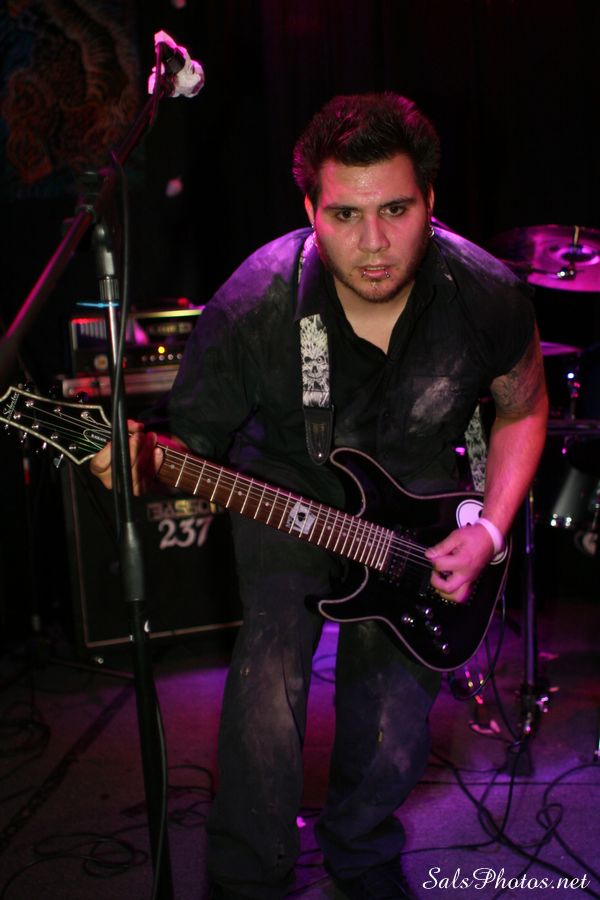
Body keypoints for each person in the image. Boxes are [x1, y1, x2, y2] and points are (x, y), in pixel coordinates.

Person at [90, 93, 548, 899]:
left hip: (420, 506)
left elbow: (525, 408)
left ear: (430, 200)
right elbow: (188, 449)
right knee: (268, 684)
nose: (373, 243)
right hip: (285, 493)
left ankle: (361, 851)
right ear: (310, 210)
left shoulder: (484, 293)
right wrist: (139, 462)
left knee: (394, 710)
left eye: (396, 210)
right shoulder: (256, 301)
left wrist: (490, 530)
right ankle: (247, 877)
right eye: (344, 214)